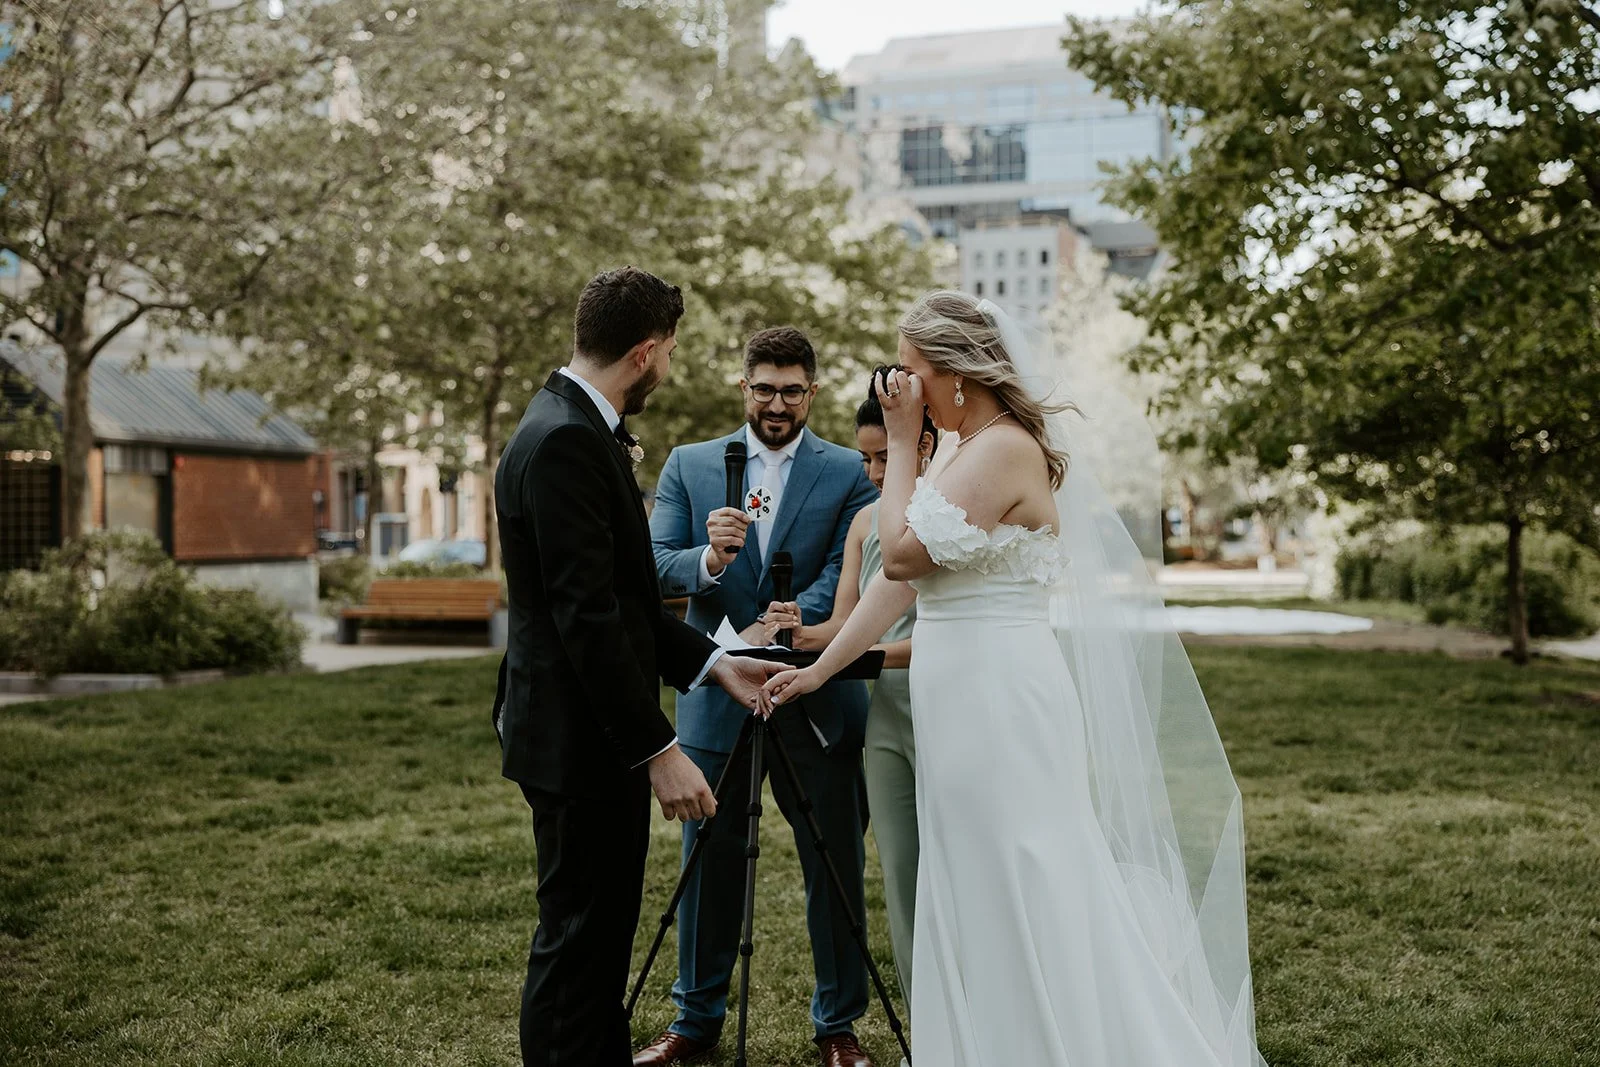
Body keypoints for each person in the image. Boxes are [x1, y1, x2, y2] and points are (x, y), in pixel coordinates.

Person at [764, 291, 1269, 1067]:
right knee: (967, 875)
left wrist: (901, 444)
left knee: (1018, 869)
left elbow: (897, 551)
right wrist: (818, 671)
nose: (896, 386)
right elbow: (898, 590)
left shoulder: (1002, 448)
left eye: (908, 368)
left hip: (999, 693)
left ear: (955, 372)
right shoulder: (960, 450)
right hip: (953, 689)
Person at [492, 267, 788, 1067]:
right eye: (672, 354)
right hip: (579, 738)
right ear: (645, 350)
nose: (671, 370)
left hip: (585, 733)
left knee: (599, 937)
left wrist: (717, 662)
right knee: (578, 943)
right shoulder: (562, 441)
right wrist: (658, 749)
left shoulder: (573, 425)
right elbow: (584, 619)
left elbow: (622, 598)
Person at [643, 327, 881, 1067]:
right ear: (742, 388)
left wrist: (785, 619)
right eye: (765, 387)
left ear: (812, 392)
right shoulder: (689, 464)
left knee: (832, 861)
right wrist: (709, 560)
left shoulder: (851, 470)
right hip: (717, 691)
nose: (777, 402)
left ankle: (838, 1023)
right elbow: (654, 565)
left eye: (793, 389)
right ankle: (694, 1020)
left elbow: (850, 565)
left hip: (817, 691)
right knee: (707, 864)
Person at [759, 369, 936, 1025]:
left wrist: (836, 663)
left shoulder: (948, 508)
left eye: (883, 455)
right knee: (900, 872)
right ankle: (929, 1022)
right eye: (864, 456)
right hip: (886, 705)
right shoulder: (867, 521)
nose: (870, 470)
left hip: (941, 697)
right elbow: (848, 621)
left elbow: (931, 630)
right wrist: (801, 633)